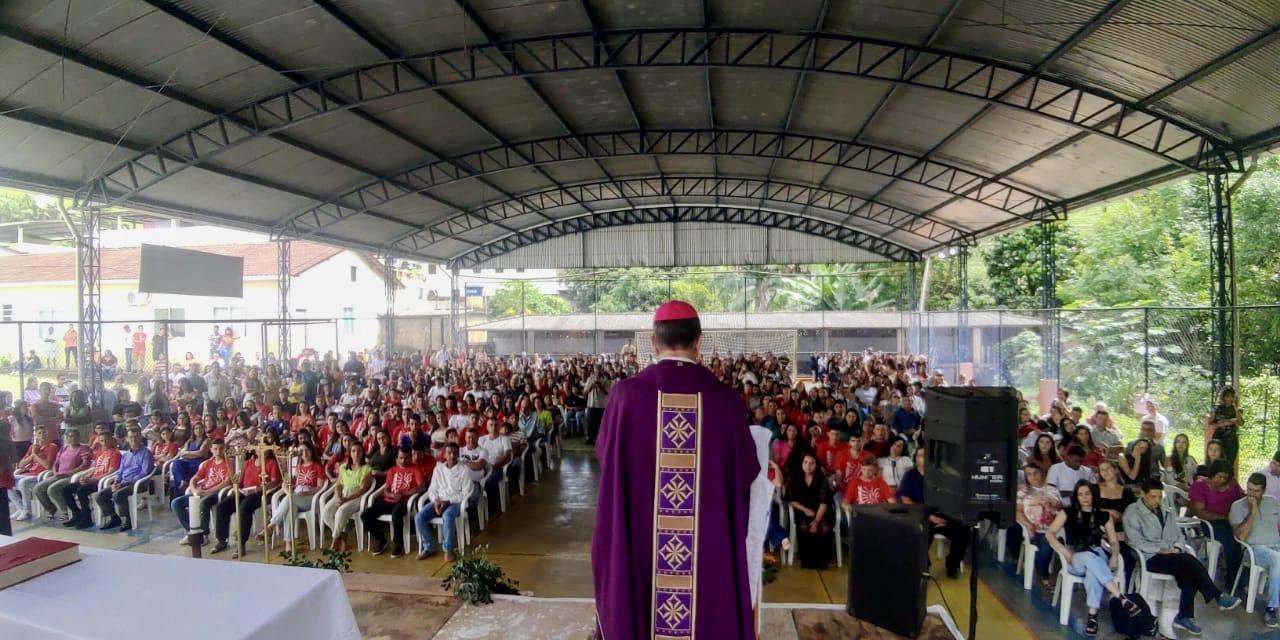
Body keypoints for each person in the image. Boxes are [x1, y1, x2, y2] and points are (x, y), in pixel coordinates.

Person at [593, 300, 759, 640]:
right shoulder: (725, 401)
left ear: (653, 343)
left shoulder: (625, 397)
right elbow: (745, 473)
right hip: (705, 550)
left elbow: (606, 459)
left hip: (640, 543)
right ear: (699, 341)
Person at [1124, 478, 1239, 635]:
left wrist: (1177, 547)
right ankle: (1216, 596)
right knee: (1188, 562)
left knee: (1188, 570)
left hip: (1171, 555)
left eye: (1159, 496)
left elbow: (1178, 535)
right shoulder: (1132, 512)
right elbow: (1134, 541)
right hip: (1150, 557)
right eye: (1152, 497)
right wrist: (1160, 549)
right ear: (1143, 494)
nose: (1156, 500)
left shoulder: (1166, 510)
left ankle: (1184, 617)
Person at [1046, 480, 1135, 636]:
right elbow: (1049, 533)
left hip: (1097, 554)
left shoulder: (1103, 515)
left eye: (1087, 493)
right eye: (1080, 494)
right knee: (1090, 559)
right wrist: (1065, 552)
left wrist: (1114, 555)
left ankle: (1092, 617)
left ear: (1093, 495)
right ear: (1076, 497)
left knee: (1093, 571)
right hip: (1075, 556)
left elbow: (1113, 541)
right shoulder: (1068, 512)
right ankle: (1120, 596)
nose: (1084, 497)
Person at [898, 447, 969, 578]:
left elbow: (952, 498)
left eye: (927, 455)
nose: (924, 458)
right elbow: (905, 499)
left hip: (944, 514)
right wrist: (929, 517)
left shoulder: (941, 475)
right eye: (920, 455)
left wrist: (947, 516)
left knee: (964, 532)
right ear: (916, 459)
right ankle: (924, 566)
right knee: (921, 533)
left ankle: (952, 565)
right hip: (923, 514)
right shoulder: (911, 476)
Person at [1228, 472, 1280, 627]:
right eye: (1249, 489)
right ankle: (1271, 608)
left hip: (1276, 546)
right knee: (1278, 560)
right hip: (1254, 550)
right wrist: (1253, 511)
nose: (1251, 494)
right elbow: (1241, 537)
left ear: (1264, 491)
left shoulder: (1273, 502)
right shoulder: (1237, 506)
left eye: (1256, 491)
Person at [262, 443, 325, 555]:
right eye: (301, 451)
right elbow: (284, 485)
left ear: (311, 451)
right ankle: (288, 543)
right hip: (295, 496)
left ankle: (271, 525)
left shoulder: (317, 466)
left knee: (289, 500)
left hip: (310, 497)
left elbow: (320, 487)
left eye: (307, 450)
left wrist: (307, 492)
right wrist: (289, 493)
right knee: (291, 508)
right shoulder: (295, 468)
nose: (304, 453)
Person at [1188, 460, 1244, 584]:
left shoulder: (1232, 484)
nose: (1222, 480)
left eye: (1225, 477)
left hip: (1233, 519)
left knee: (1248, 536)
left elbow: (1242, 499)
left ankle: (1244, 575)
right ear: (1212, 474)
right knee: (1232, 540)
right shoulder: (1200, 486)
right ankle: (1232, 579)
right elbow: (1201, 513)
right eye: (1219, 476)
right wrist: (1223, 517)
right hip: (1212, 522)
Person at [362, 446, 425, 557]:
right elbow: (386, 490)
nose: (403, 460)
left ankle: (398, 543)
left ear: (410, 457)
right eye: (401, 458)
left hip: (405, 502)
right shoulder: (392, 470)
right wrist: (392, 495)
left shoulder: (416, 469)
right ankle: (380, 539)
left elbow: (421, 487)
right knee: (366, 515)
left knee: (396, 514)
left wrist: (403, 495)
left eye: (406, 458)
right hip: (389, 500)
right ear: (396, 459)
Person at [415, 442, 471, 562]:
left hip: (455, 502)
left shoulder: (464, 470)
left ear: (458, 453)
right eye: (449, 453)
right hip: (438, 501)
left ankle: (448, 549)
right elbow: (432, 489)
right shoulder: (439, 468)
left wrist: (448, 501)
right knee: (419, 517)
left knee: (448, 515)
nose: (452, 455)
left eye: (455, 452)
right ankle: (428, 546)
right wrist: (436, 501)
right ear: (444, 454)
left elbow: (465, 493)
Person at [1011, 464, 1063, 592]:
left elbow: (1060, 507)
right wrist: (1028, 525)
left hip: (1053, 528)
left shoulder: (1052, 490)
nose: (1033, 476)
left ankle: (1044, 572)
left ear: (1042, 473)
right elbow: (1017, 512)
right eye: (1029, 474)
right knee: (1044, 544)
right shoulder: (1023, 492)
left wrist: (1049, 500)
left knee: (1049, 540)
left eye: (1036, 473)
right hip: (1034, 528)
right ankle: (1044, 578)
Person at [171, 439, 232, 545]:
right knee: (176, 503)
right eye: (215, 449)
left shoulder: (229, 463)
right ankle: (192, 532)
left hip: (217, 493)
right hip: (202, 491)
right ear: (211, 450)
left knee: (203, 503)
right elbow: (194, 479)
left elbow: (227, 482)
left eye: (221, 449)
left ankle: (204, 534)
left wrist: (207, 492)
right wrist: (194, 490)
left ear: (225, 449)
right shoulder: (207, 463)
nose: (218, 451)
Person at [94, 430, 154, 531]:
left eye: (135, 436)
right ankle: (113, 517)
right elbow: (120, 471)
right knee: (99, 495)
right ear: (127, 439)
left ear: (140, 437)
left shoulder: (146, 453)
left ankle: (127, 520)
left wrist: (125, 483)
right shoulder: (126, 455)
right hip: (123, 483)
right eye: (131, 437)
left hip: (138, 483)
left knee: (118, 495)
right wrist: (116, 482)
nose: (133, 439)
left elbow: (145, 472)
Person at [61, 431, 121, 529]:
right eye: (102, 440)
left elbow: (111, 472)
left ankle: (87, 518)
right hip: (93, 479)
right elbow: (95, 468)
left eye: (106, 440)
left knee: (81, 491)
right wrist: (86, 476)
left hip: (102, 481)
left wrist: (93, 479)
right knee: (66, 489)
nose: (104, 442)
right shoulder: (100, 452)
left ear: (111, 440)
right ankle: (77, 515)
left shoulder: (115, 453)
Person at [785, 453, 834, 569]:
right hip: (803, 509)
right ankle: (807, 560)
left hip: (821, 510)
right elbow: (791, 499)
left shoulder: (822, 480)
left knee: (824, 527)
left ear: (816, 465)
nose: (808, 466)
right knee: (803, 526)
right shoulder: (795, 478)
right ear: (802, 464)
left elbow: (824, 502)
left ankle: (822, 561)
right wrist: (804, 509)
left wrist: (817, 520)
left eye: (812, 463)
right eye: (805, 462)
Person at [321, 443, 373, 552]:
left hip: (356, 497)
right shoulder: (343, 467)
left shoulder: (366, 469)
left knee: (340, 512)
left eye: (359, 451)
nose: (356, 453)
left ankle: (334, 540)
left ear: (363, 453)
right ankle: (342, 535)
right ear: (350, 453)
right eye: (353, 451)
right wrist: (337, 496)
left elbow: (362, 490)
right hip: (343, 494)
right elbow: (339, 484)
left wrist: (346, 499)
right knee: (326, 512)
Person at [11, 428, 57, 520]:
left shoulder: (52, 447)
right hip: (28, 473)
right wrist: (32, 455)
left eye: (44, 433)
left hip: (40, 475)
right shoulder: (32, 447)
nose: (42, 435)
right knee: (7, 480)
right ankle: (21, 508)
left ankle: (27, 511)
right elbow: (20, 464)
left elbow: (47, 466)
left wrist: (35, 455)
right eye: (39, 433)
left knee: (23, 483)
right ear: (35, 436)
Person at [1209, 387, 1242, 477]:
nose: (1230, 399)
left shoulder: (1236, 409)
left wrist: (1236, 409)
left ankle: (1228, 480)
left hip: (1231, 439)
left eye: (1232, 396)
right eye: (1228, 396)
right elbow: (1211, 423)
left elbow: (1241, 422)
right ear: (1223, 397)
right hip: (1219, 437)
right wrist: (1224, 423)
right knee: (1217, 460)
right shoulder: (1217, 408)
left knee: (1229, 461)